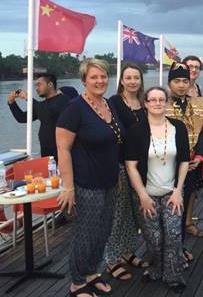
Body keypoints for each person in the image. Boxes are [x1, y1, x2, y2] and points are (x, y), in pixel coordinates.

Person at [56, 59, 124, 297]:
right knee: (85, 234)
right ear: (84, 80)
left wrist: (115, 174)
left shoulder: (107, 104)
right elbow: (63, 149)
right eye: (94, 77)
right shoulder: (75, 108)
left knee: (103, 231)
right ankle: (76, 283)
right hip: (86, 184)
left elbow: (112, 143)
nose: (100, 81)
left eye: (103, 76)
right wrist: (68, 187)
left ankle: (92, 273)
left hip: (108, 181)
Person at [124, 87, 189, 294]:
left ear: (167, 102)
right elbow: (130, 165)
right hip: (146, 194)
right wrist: (142, 195)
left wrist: (178, 190)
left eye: (162, 99)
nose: (158, 103)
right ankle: (155, 268)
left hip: (172, 192)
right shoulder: (136, 130)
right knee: (154, 238)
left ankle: (173, 275)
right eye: (153, 100)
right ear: (146, 103)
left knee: (173, 234)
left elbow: (185, 161)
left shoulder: (178, 127)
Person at [104, 63, 148, 280]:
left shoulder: (144, 102)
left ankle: (127, 251)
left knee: (134, 212)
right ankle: (111, 259)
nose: (132, 81)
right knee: (118, 213)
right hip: (121, 164)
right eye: (128, 77)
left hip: (141, 165)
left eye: (136, 78)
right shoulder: (113, 103)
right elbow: (111, 136)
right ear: (121, 80)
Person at [165, 62, 203, 261]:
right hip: (165, 167)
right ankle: (164, 253)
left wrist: (199, 156)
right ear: (169, 82)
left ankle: (178, 248)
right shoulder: (160, 104)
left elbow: (198, 135)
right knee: (166, 213)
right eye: (176, 81)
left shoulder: (196, 105)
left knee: (180, 211)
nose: (181, 85)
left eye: (184, 81)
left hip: (189, 166)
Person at [7, 73, 70, 159]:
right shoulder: (42, 105)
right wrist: (11, 103)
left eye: (39, 84)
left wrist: (28, 98)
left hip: (62, 153)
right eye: (36, 85)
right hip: (46, 154)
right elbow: (21, 118)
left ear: (50, 84)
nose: (36, 88)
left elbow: (48, 112)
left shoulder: (64, 100)